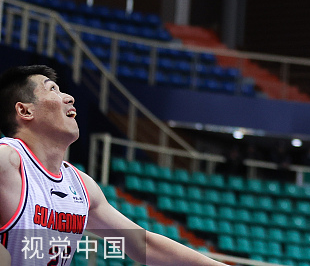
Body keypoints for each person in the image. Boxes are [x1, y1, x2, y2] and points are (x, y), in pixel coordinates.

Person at [0, 65, 231, 266]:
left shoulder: (81, 186)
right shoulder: (8, 160)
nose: (69, 98)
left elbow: (142, 245)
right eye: (52, 89)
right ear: (24, 110)